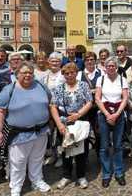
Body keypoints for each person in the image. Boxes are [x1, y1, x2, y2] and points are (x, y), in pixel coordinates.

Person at [0, 62, 51, 196]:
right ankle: (16, 186)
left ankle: (37, 180)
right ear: (17, 74)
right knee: (18, 161)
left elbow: (49, 102)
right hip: (19, 134)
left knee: (37, 158)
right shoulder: (9, 89)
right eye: (24, 72)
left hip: (40, 131)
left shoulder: (41, 86)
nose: (28, 75)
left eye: (30, 72)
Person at [50, 62, 93, 190]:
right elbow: (53, 106)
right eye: (66, 73)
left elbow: (89, 102)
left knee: (81, 151)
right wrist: (58, 124)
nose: (69, 75)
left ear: (76, 72)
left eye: (72, 72)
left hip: (80, 121)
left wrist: (78, 114)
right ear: (63, 74)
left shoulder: (83, 85)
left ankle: (81, 176)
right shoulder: (59, 88)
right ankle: (66, 176)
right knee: (66, 151)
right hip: (65, 122)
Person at [95, 57, 129, 188]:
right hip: (104, 115)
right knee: (104, 146)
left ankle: (119, 173)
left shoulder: (122, 79)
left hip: (118, 115)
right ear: (105, 67)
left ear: (116, 67)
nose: (110, 67)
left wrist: (116, 114)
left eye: (113, 65)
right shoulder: (101, 79)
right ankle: (106, 174)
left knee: (118, 145)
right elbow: (97, 98)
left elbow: (125, 98)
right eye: (108, 65)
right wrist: (108, 114)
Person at [39, 52, 65, 166]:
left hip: (61, 108)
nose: (54, 63)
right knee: (49, 133)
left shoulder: (64, 75)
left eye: (57, 61)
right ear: (48, 62)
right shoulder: (45, 76)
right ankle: (53, 154)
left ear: (61, 62)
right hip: (47, 108)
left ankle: (61, 156)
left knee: (61, 132)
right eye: (52, 61)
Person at [77, 51, 102, 157]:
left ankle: (99, 155)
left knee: (99, 133)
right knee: (85, 133)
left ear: (95, 60)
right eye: (87, 60)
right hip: (85, 109)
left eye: (92, 59)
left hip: (98, 108)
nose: (90, 61)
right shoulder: (79, 74)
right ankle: (85, 157)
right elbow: (77, 90)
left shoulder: (101, 73)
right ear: (84, 61)